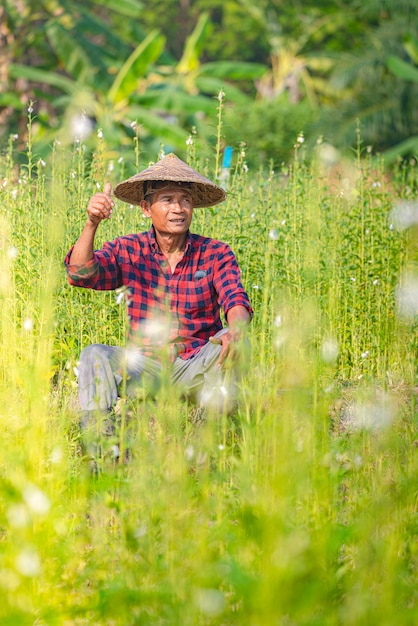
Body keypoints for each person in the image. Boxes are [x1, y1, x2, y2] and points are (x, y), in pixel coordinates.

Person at [65, 153, 252, 449]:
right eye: (167, 200)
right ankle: (104, 448)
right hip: (145, 367)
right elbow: (80, 274)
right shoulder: (129, 249)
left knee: (234, 341)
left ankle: (210, 438)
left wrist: (236, 331)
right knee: (94, 354)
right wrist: (91, 224)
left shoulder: (216, 253)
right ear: (145, 208)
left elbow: (235, 299)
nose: (178, 208)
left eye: (185, 200)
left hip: (197, 366)